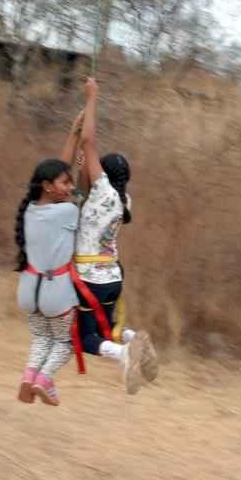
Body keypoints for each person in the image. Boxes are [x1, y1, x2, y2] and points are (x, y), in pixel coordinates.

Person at [73, 78, 159, 394]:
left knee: (86, 338)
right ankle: (135, 339)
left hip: (90, 278)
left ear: (104, 174)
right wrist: (84, 166)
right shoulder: (124, 201)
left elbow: (88, 141)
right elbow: (82, 192)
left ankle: (125, 354)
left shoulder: (103, 192)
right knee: (108, 328)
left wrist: (92, 98)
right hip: (112, 277)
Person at [13, 107, 90, 406]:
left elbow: (60, 172)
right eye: (64, 183)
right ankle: (45, 381)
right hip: (56, 294)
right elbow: (83, 190)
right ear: (48, 186)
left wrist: (73, 134)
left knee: (42, 338)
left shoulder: (29, 209)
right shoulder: (67, 211)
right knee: (65, 342)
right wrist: (85, 154)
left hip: (28, 289)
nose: (69, 187)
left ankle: (29, 377)